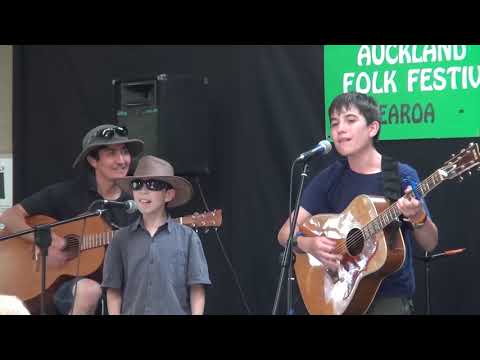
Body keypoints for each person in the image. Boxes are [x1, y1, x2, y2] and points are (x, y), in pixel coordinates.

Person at [277, 92, 438, 315]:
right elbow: (285, 233)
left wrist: (417, 216)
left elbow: (430, 243)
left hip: (388, 300)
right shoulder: (330, 178)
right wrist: (309, 244)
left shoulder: (400, 175)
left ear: (372, 128)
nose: (340, 129)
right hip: (338, 298)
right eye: (335, 123)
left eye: (350, 120)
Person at [0, 124, 143, 314]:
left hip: (116, 285)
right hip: (60, 287)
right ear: (93, 160)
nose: (121, 160)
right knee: (88, 290)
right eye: (111, 153)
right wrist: (45, 240)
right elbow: (10, 216)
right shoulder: (68, 193)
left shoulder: (134, 202)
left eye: (124, 152)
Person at [102, 155, 211, 315]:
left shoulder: (188, 237)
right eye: (137, 184)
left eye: (153, 184)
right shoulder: (120, 239)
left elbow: (197, 288)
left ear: (169, 195)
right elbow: (113, 290)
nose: (144, 191)